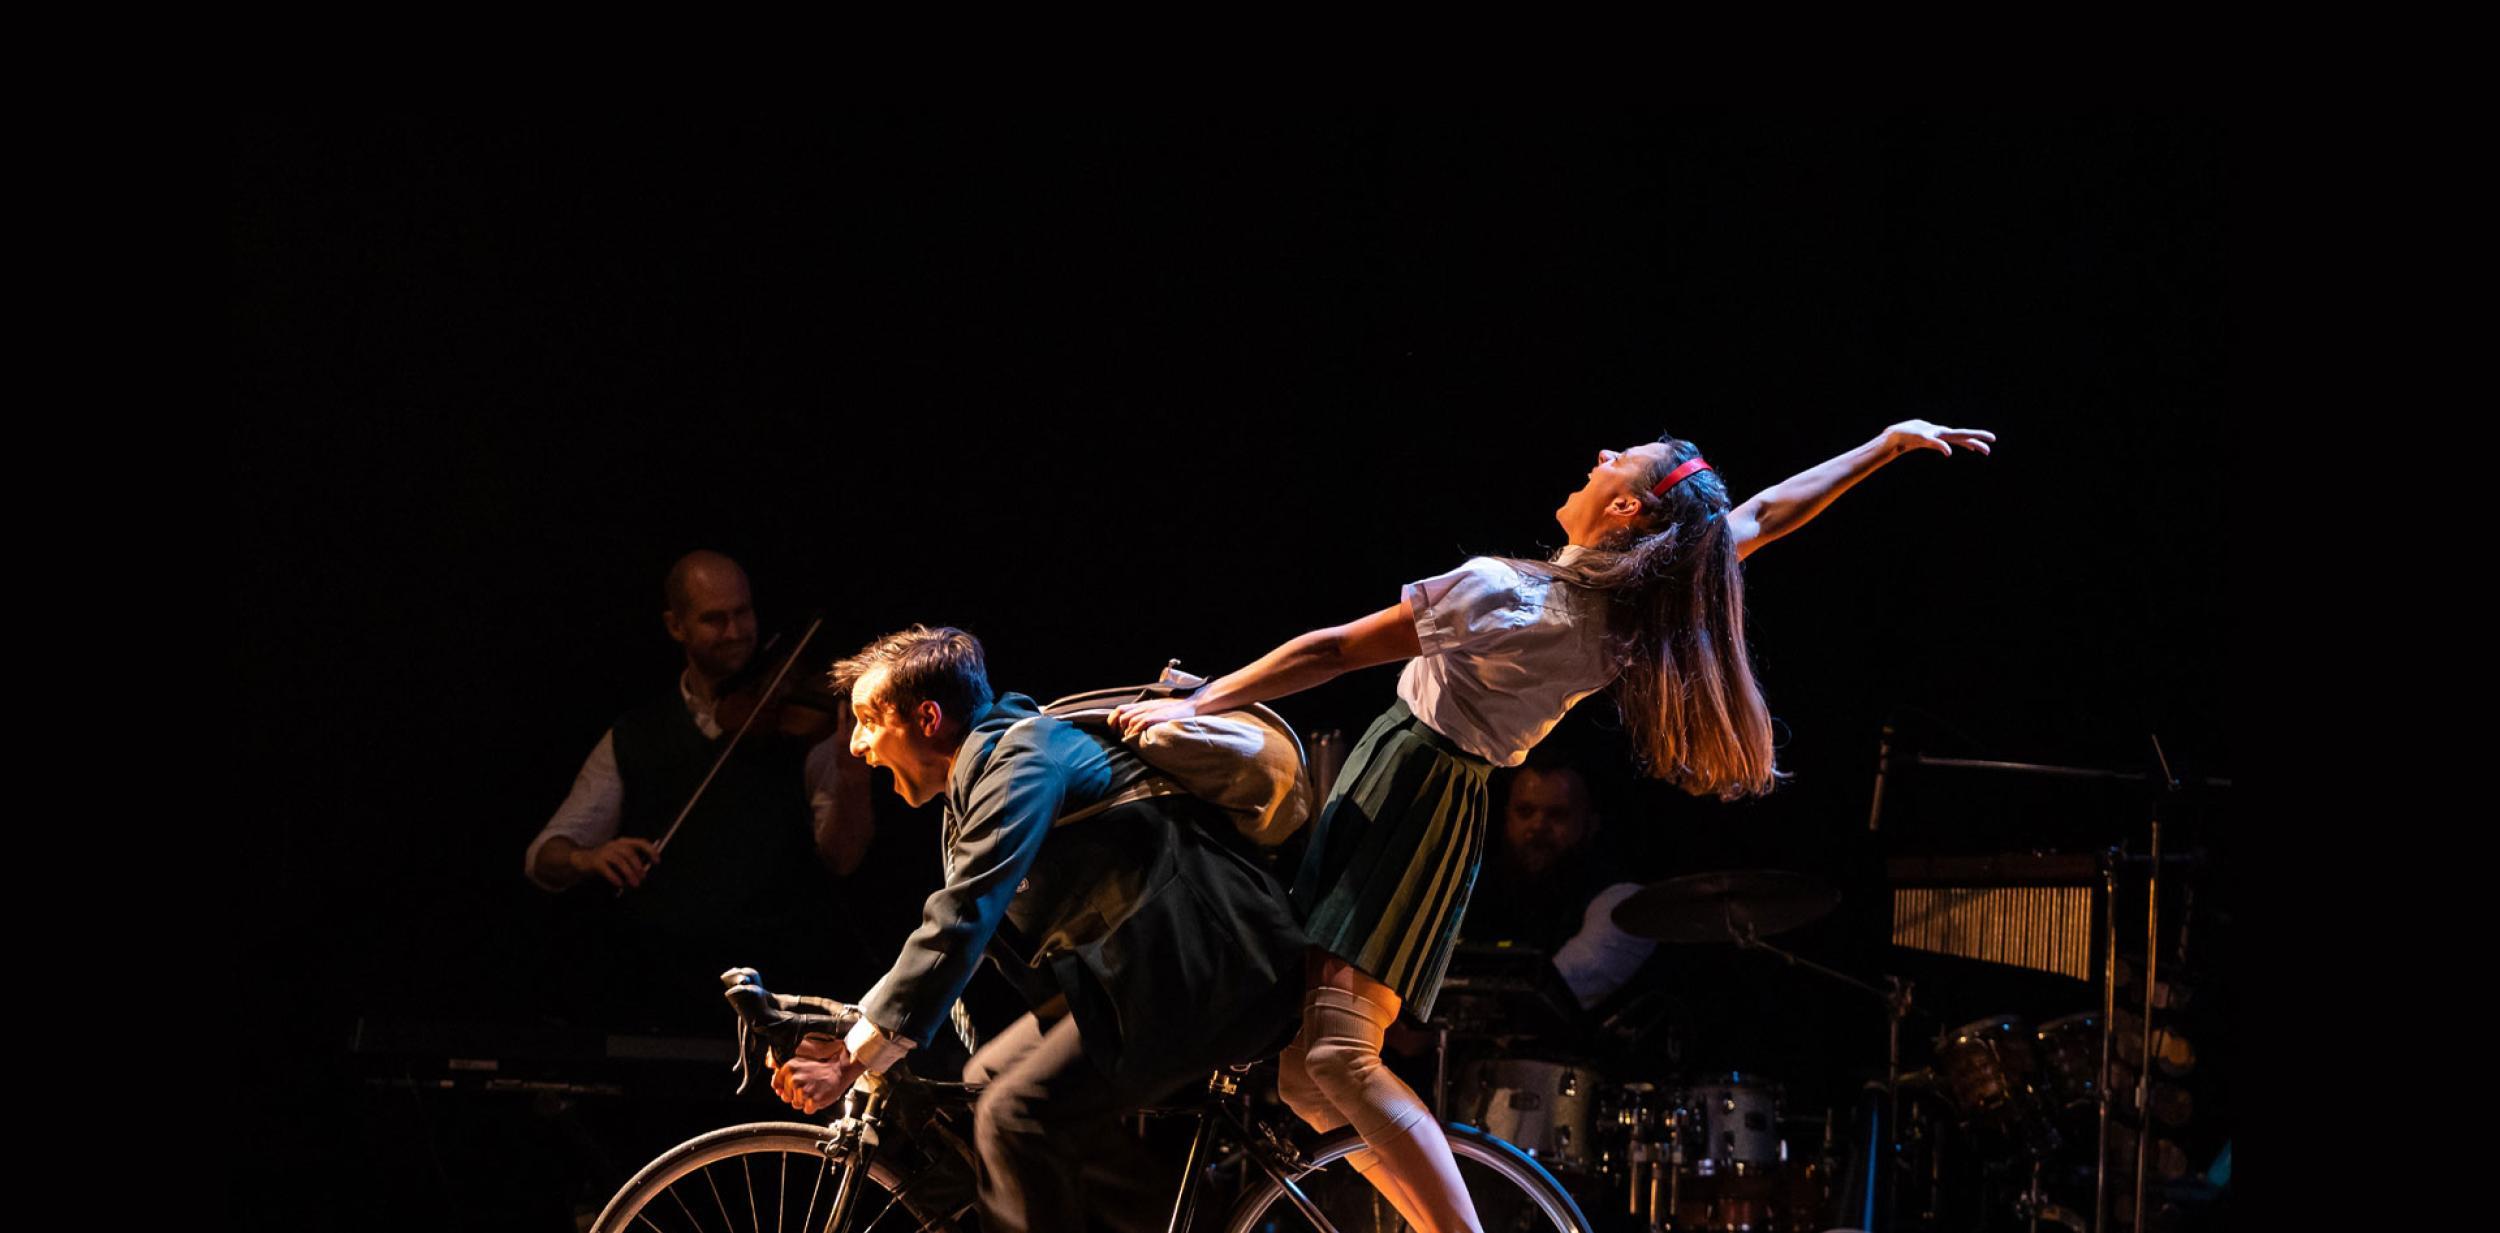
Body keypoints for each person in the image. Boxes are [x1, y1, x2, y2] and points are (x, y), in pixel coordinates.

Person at [1112, 420, 1995, 1233]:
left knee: (1339, 1059)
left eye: (1621, 459)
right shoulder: (1630, 604)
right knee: (1308, 1078)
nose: (1603, 452)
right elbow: (1763, 512)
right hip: (1434, 793)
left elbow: (1335, 649)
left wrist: (1209, 694)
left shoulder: (1506, 593)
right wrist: (1883, 445)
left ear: (1621, 507)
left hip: (1414, 791)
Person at [771, 626, 1306, 1233]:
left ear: (927, 717)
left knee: (1015, 1114)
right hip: (1157, 978)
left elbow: (963, 913)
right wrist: (856, 1029)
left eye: (869, 721)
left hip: (1216, 971)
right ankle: (1197, 1222)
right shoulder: (985, 778)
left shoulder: (1024, 757)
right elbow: (961, 933)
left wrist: (853, 1052)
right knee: (987, 1084)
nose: (860, 746)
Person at [522, 550, 875, 1022]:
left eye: (742, 613)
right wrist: (587, 857)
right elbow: (543, 856)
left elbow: (843, 858)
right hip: (660, 986)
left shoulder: (797, 722)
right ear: (676, 626)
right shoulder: (636, 734)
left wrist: (852, 778)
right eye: (714, 620)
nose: (735, 632)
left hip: (780, 985)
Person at [1462, 758, 1654, 1010]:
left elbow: (1558, 990)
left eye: (1557, 815)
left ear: (1591, 823)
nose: (1538, 826)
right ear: (1507, 818)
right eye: (1525, 812)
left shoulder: (1621, 900)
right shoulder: (1483, 886)